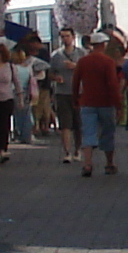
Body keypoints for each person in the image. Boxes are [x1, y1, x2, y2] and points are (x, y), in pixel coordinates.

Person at [74, 31, 124, 177]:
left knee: (88, 133)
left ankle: (87, 164)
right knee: (108, 133)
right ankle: (109, 164)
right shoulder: (108, 62)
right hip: (106, 103)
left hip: (87, 102)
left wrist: (76, 99)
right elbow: (112, 85)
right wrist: (118, 105)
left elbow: (76, 81)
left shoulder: (83, 61)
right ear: (104, 44)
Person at [47, 26, 84, 163]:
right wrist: (55, 78)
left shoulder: (81, 53)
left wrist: (75, 66)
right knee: (65, 124)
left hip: (79, 92)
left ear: (73, 37)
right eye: (62, 36)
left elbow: (88, 71)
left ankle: (78, 150)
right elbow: (50, 73)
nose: (65, 39)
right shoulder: (56, 55)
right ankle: (67, 152)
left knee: (78, 124)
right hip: (62, 93)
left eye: (67, 36)